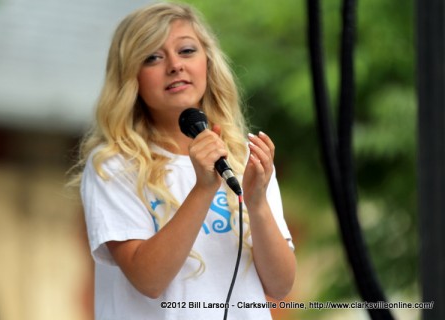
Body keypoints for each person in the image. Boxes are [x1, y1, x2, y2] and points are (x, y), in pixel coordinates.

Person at [72, 2, 296, 319]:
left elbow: (281, 285)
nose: (175, 65)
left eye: (187, 51)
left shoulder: (242, 157)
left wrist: (257, 203)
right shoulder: (113, 164)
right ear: (130, 77)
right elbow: (148, 280)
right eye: (153, 57)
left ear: (207, 61)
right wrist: (203, 189)